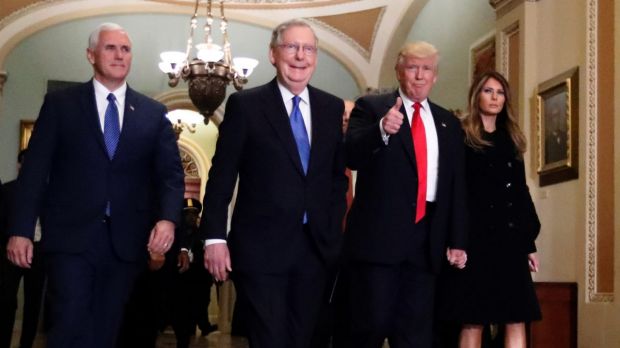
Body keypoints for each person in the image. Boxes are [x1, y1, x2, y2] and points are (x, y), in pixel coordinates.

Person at [5, 22, 185, 348]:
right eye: (110, 48)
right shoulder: (61, 105)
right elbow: (34, 171)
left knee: (106, 329)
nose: (119, 55)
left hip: (126, 243)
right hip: (71, 239)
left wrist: (168, 219)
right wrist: (21, 229)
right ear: (91, 55)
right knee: (69, 323)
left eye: (125, 49)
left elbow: (171, 176)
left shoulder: (152, 113)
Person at [200, 18, 348, 348]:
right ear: (273, 54)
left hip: (315, 250)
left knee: (303, 339)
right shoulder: (246, 105)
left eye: (308, 49)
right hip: (260, 251)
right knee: (269, 338)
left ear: (316, 57)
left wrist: (332, 230)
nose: (300, 56)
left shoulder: (330, 107)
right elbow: (222, 176)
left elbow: (337, 179)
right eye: (291, 47)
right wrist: (214, 238)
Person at [342, 41, 468, 348]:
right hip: (378, 244)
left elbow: (455, 184)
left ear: (435, 76)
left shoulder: (448, 123)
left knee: (416, 336)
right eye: (413, 67)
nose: (420, 76)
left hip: (426, 244)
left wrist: (457, 239)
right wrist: (382, 130)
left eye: (427, 69)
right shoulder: (372, 108)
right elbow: (351, 155)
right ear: (400, 72)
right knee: (370, 327)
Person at [435, 71, 541, 348]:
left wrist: (529, 242)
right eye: (488, 91)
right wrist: (454, 241)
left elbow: (520, 193)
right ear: (476, 95)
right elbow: (452, 191)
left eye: (500, 92)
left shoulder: (512, 139)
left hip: (510, 240)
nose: (495, 97)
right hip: (475, 240)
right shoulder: (461, 136)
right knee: (473, 320)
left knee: (516, 318)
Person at [0, 150, 47, 348]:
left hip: (39, 254)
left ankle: (26, 343)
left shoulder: (49, 192)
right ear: (19, 165)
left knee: (33, 302)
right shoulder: (7, 190)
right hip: (10, 254)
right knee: (6, 300)